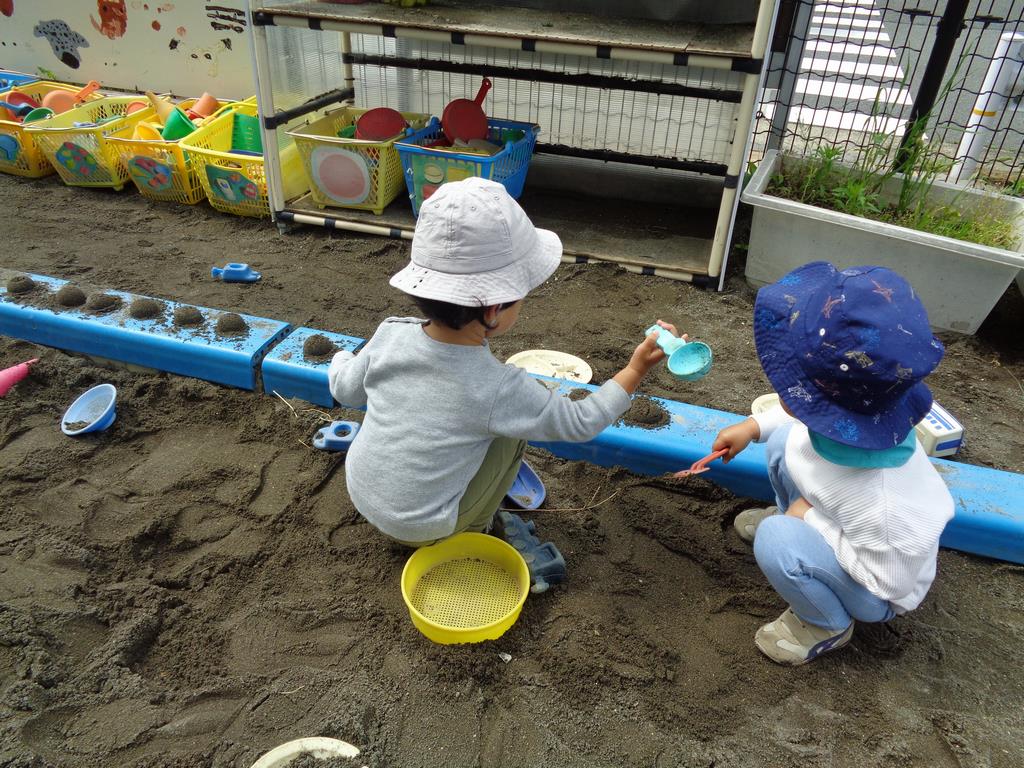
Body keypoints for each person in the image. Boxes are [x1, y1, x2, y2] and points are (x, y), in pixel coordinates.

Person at [327, 177, 666, 547]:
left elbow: (345, 390)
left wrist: (341, 356)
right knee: (511, 433)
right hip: (424, 527)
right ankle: (475, 529)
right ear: (493, 310)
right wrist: (635, 370)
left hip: (363, 494)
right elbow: (580, 422)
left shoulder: (390, 334)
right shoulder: (500, 387)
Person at [711, 262, 954, 665]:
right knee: (783, 442)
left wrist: (810, 520)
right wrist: (754, 427)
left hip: (875, 583)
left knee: (776, 540)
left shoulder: (887, 506)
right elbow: (802, 416)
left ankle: (825, 624)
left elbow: (889, 585)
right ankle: (794, 525)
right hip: (838, 515)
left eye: (794, 377)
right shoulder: (858, 415)